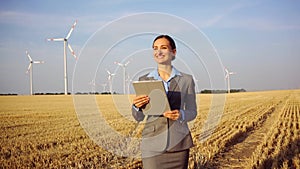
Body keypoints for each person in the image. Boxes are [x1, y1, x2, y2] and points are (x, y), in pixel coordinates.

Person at [132, 34, 197, 169]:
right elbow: (138, 117)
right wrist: (136, 106)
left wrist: (181, 114)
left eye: (163, 47)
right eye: (155, 48)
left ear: (173, 52)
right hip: (152, 145)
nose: (158, 52)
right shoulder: (144, 80)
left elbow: (193, 111)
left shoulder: (186, 80)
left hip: (179, 144)